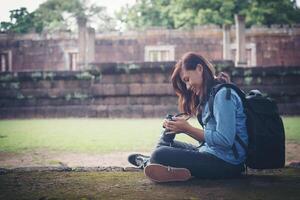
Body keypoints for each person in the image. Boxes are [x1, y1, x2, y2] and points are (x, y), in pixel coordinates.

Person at [128, 52, 248, 183]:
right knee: (168, 144)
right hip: (212, 153)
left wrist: (188, 129)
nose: (188, 86)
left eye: (187, 79)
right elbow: (211, 140)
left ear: (199, 69)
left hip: (227, 164)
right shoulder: (211, 96)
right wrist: (174, 127)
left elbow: (225, 141)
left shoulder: (223, 95)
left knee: (160, 154)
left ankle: (150, 162)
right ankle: (156, 164)